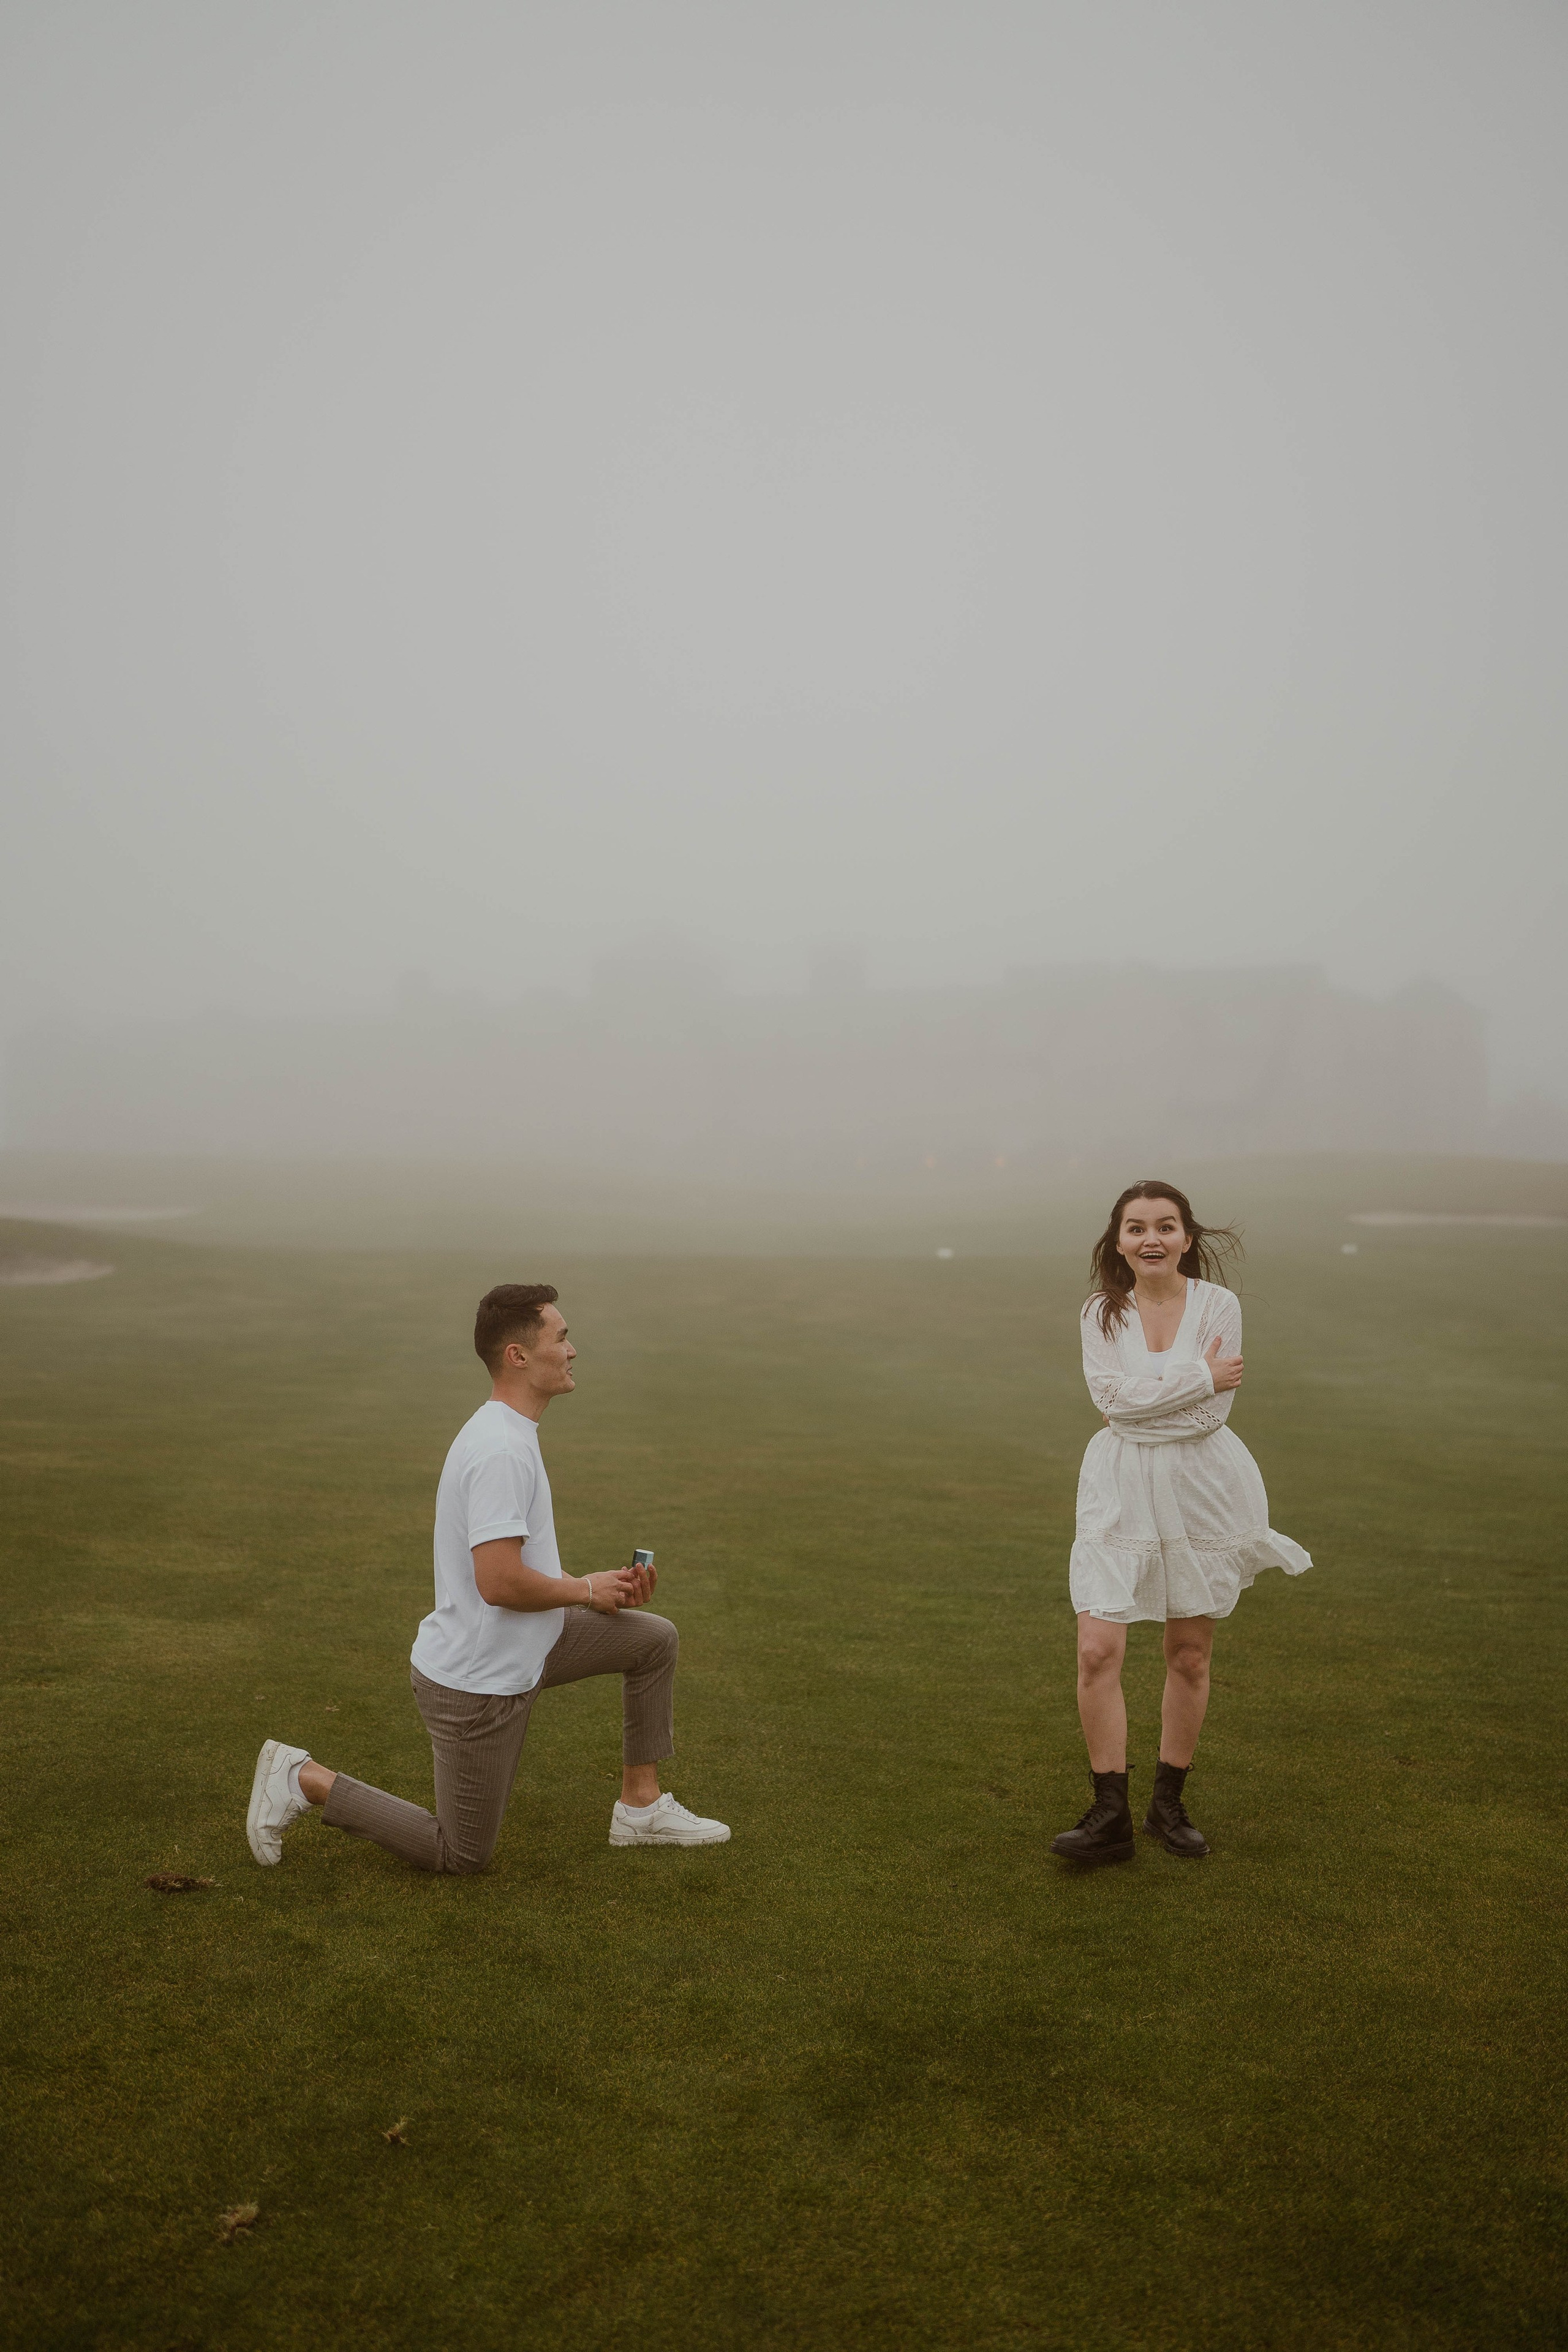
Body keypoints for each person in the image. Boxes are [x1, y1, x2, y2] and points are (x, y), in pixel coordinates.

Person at [246, 1282, 729, 1872]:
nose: (573, 1350)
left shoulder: (510, 1433)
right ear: (518, 1356)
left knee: (652, 1639)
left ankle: (641, 1807)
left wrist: (595, 1587)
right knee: (461, 1853)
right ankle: (304, 1778)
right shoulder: (501, 1449)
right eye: (562, 1337)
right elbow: (498, 1583)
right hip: (477, 1684)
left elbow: (516, 1574)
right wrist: (584, 1591)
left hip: (532, 1645)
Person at [1051, 1182, 1310, 1865]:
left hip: (1200, 1488)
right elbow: (1108, 1401)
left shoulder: (1217, 1305)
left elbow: (1206, 1419)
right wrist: (1200, 1375)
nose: (1151, 1240)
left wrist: (1146, 1403)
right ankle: (1109, 1815)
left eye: (1165, 1227)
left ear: (1186, 1238)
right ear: (1118, 1242)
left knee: (1188, 1653)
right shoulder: (1100, 1313)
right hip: (1117, 1489)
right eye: (1136, 1229)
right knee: (1096, 1649)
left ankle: (1168, 1805)